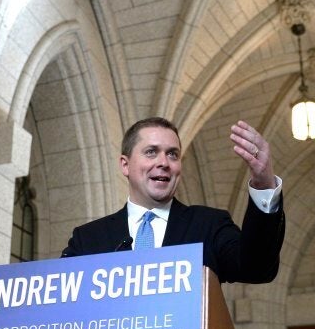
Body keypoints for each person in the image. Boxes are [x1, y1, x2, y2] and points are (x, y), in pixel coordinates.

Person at [61, 117, 285, 284]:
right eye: (151, 152)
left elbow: (257, 269)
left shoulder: (209, 225)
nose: (164, 162)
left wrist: (264, 184)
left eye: (172, 154)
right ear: (125, 165)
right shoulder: (87, 239)